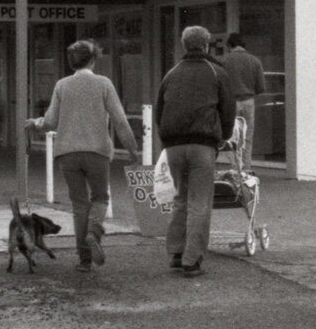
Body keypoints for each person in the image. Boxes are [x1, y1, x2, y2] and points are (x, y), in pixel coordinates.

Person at [28, 39, 138, 273]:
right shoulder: (103, 84)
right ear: (94, 59)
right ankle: (94, 232)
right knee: (100, 198)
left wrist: (36, 123)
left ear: (71, 62)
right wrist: (132, 149)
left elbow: (50, 122)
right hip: (97, 151)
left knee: (79, 204)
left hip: (67, 153)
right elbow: (120, 121)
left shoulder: (62, 85)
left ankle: (84, 260)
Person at [153, 25, 237, 276]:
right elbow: (228, 110)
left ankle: (176, 253)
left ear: (183, 44)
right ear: (207, 44)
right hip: (202, 144)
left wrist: (165, 140)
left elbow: (160, 111)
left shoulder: (171, 73)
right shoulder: (216, 72)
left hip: (173, 145)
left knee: (180, 199)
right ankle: (192, 259)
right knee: (200, 202)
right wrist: (223, 136)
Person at [220, 32, 265, 172]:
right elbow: (261, 87)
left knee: (230, 136)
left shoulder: (224, 61)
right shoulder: (255, 61)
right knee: (247, 136)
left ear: (230, 45)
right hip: (248, 101)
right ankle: (246, 169)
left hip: (230, 102)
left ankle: (235, 168)